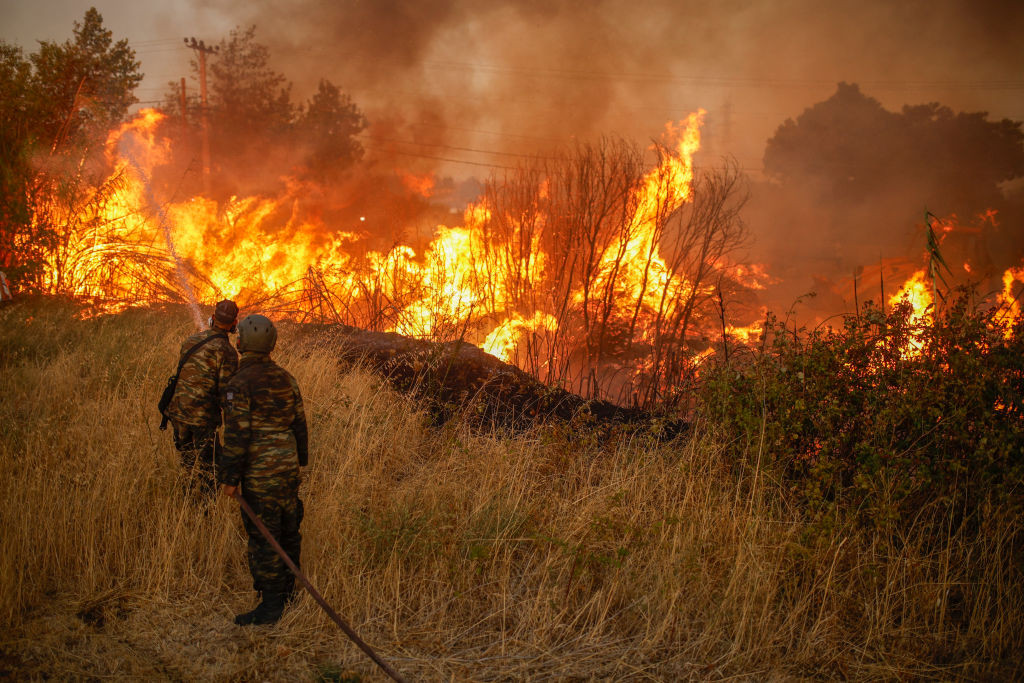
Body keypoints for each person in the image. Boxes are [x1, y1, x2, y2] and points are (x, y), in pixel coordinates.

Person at [219, 314, 309, 626]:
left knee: (264, 537)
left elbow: (237, 435)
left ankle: (271, 607)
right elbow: (300, 423)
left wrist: (230, 479)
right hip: (287, 468)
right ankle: (289, 593)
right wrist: (299, 461)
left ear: (241, 342)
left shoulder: (238, 383)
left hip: (260, 474)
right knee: (288, 530)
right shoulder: (287, 378)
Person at [164, 299, 239, 495]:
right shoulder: (227, 352)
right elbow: (227, 392)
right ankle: (205, 508)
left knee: (187, 462)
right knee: (210, 468)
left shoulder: (190, 341)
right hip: (202, 418)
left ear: (212, 318)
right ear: (234, 324)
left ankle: (185, 499)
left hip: (178, 411)